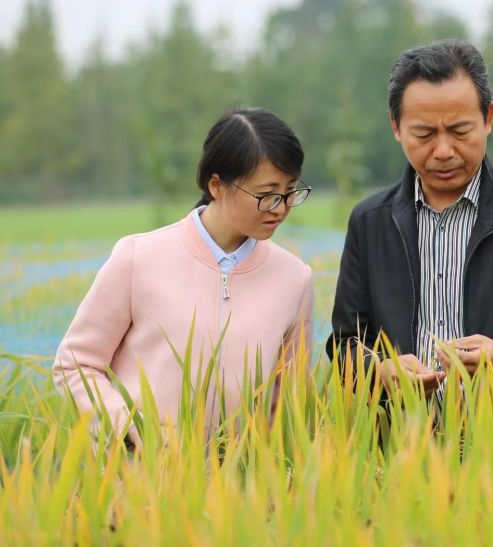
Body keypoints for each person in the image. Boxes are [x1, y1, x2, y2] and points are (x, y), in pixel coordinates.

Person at [327, 39, 493, 398]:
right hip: (399, 444)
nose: (443, 151)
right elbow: (346, 343)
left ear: (488, 119)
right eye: (423, 133)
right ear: (396, 126)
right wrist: (377, 371)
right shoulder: (369, 222)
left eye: (459, 131)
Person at [54, 108, 314, 446]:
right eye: (267, 194)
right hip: (140, 481)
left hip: (240, 487)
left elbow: (291, 401)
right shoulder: (138, 258)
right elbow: (75, 364)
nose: (280, 208)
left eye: (290, 192)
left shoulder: (294, 278)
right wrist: (126, 429)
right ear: (217, 185)